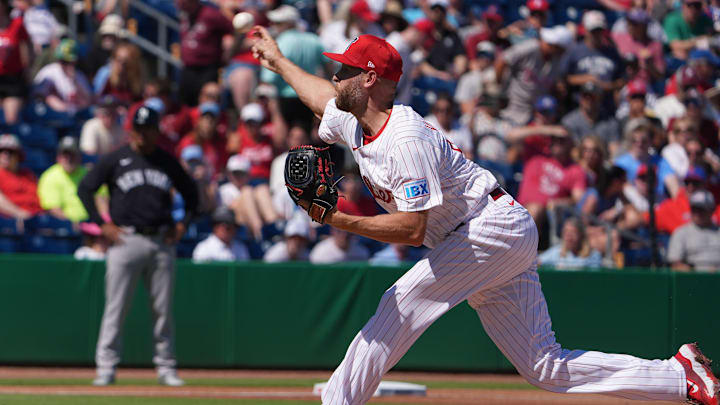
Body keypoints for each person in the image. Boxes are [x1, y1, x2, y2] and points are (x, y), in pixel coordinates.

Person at [251, 27, 719, 405]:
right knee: (544, 366)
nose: (336, 77)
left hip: (489, 228)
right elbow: (318, 99)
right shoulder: (353, 119)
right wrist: (278, 62)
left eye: (345, 69)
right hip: (481, 236)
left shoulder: (404, 139)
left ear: (369, 79)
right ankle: (679, 377)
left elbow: (412, 231)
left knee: (401, 303)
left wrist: (335, 219)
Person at [77, 106, 198, 387]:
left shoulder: (167, 162)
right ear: (131, 130)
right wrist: (100, 223)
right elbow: (85, 188)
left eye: (148, 129)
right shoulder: (116, 159)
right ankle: (106, 366)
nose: (142, 135)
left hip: (160, 240)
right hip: (125, 239)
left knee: (163, 310)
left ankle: (166, 367)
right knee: (115, 308)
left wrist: (183, 225)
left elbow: (193, 196)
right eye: (138, 129)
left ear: (156, 131)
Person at [495, 25, 572, 126]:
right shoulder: (530, 47)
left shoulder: (556, 61)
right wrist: (500, 89)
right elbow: (502, 61)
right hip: (514, 108)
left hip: (536, 113)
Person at [177, 0, 234, 106]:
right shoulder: (185, 16)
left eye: (182, 2)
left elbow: (234, 30)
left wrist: (230, 53)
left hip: (207, 70)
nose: (178, 5)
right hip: (187, 69)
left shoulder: (210, 14)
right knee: (185, 105)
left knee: (207, 105)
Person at [38, 137, 100, 223]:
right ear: (58, 157)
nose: (68, 159)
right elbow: (53, 209)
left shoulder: (88, 174)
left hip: (93, 223)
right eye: (65, 155)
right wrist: (71, 224)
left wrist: (101, 222)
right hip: (66, 227)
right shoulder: (49, 176)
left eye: (72, 155)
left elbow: (101, 199)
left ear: (79, 157)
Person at [32, 38, 93, 113]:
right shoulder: (48, 72)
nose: (66, 65)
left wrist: (74, 81)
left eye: (69, 61)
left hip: (75, 116)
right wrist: (51, 98)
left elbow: (87, 102)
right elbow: (37, 96)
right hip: (50, 115)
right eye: (63, 61)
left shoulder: (79, 76)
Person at [667, 190, 720, 272]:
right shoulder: (681, 233)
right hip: (692, 279)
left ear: (712, 210)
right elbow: (675, 264)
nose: (697, 213)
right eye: (694, 209)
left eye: (702, 209)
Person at [0, 0, 31, 125]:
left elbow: (26, 48)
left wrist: (27, 69)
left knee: (10, 119)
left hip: (12, 80)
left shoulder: (17, 24)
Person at [0, 133, 41, 219]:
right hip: (11, 222)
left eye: (10, 152)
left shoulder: (28, 174)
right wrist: (20, 213)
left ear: (18, 155)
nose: (6, 155)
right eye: (2, 151)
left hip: (37, 219)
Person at [538, 217, 603, 270]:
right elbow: (537, 262)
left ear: (581, 235)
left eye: (573, 232)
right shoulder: (556, 252)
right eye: (566, 232)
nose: (569, 236)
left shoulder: (593, 255)